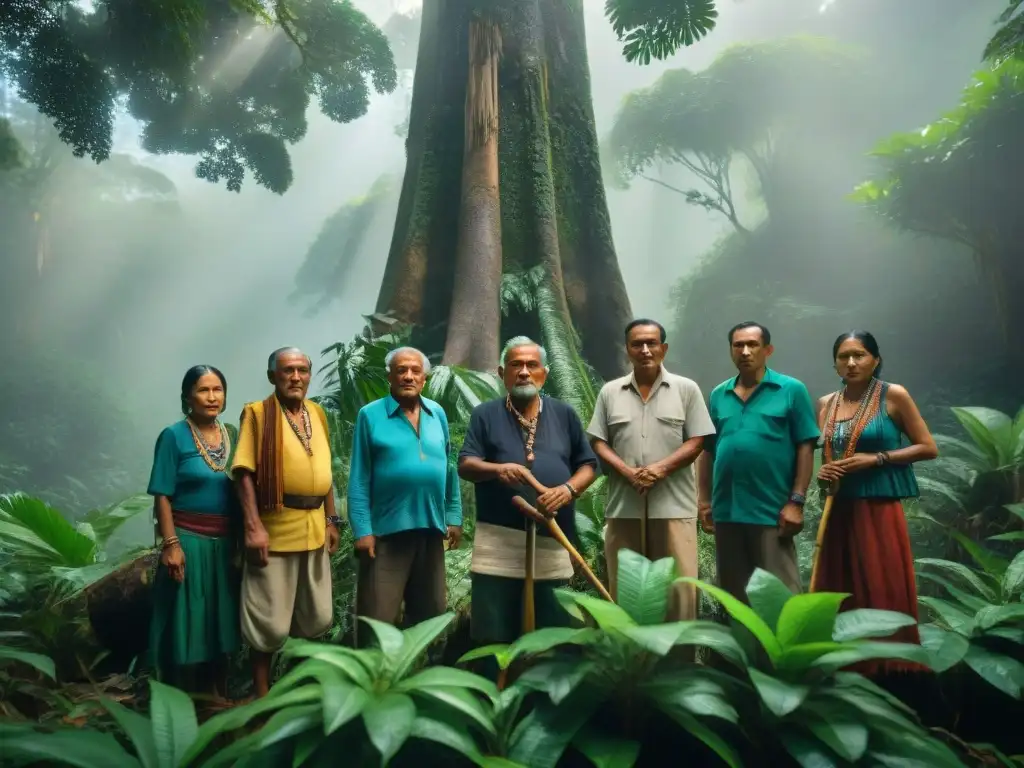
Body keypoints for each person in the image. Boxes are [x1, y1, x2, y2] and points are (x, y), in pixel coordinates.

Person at [459, 337, 598, 662]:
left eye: (531, 365)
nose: (523, 372)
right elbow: (466, 464)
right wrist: (497, 469)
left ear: (544, 374)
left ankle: (547, 704)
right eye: (515, 365)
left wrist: (567, 490)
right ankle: (498, 701)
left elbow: (589, 464)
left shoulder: (564, 414)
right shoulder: (485, 415)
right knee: (493, 632)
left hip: (553, 539)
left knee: (554, 630)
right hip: (498, 543)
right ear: (501, 373)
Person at [815, 331, 937, 674]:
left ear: (876, 359)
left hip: (879, 507)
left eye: (860, 355)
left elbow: (927, 447)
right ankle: (845, 668)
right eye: (844, 356)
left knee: (881, 580)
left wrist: (877, 458)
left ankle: (893, 667)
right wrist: (824, 472)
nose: (851, 363)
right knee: (841, 584)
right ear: (835, 362)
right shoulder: (827, 403)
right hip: (838, 508)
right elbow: (823, 451)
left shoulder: (893, 395)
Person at [587, 319, 715, 622]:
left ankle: (679, 665)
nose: (645, 350)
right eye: (637, 344)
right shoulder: (610, 392)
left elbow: (698, 440)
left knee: (679, 593)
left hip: (673, 507)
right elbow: (599, 441)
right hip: (623, 509)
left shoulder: (686, 390)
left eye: (652, 343)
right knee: (626, 592)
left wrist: (660, 469)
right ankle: (632, 665)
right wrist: (627, 471)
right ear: (627, 350)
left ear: (663, 348)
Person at [231, 347, 341, 697]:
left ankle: (297, 688)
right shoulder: (258, 414)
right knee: (269, 618)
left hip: (314, 527)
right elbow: (243, 473)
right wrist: (253, 527)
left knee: (315, 615)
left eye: (302, 370)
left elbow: (325, 473)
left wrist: (332, 519)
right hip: (274, 529)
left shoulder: (317, 413)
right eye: (287, 370)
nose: (296, 377)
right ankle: (263, 696)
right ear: (272, 377)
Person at [697, 322, 819, 600]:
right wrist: (703, 500)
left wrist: (796, 501)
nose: (745, 351)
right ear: (731, 351)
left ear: (768, 350)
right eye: (738, 345)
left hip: (772, 512)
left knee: (779, 596)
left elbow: (806, 447)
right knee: (735, 597)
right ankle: (741, 645)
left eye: (752, 344)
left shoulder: (791, 390)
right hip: (727, 513)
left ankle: (782, 646)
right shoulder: (719, 394)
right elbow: (707, 451)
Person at [348, 347, 463, 631]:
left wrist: (454, 515)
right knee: (378, 619)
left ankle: (421, 672)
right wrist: (362, 531)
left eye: (415, 371)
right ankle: (376, 674)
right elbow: (359, 477)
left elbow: (449, 467)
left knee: (431, 615)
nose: (408, 376)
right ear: (390, 377)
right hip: (386, 534)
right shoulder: (370, 415)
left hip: (430, 531)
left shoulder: (437, 413)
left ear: (424, 378)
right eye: (401, 370)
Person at [147, 365, 240, 701]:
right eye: (204, 390)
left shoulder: (233, 434)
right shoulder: (173, 436)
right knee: (186, 621)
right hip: (188, 540)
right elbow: (162, 495)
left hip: (225, 546)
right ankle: (179, 700)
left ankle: (218, 699)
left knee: (222, 620)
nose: (212, 397)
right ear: (188, 397)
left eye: (218, 389)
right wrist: (171, 544)